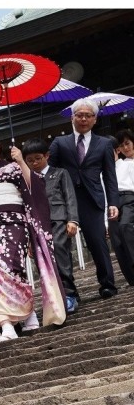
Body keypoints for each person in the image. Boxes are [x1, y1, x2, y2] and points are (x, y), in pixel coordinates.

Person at [0, 128, 66, 343]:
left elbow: (36, 187)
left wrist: (21, 161)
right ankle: (15, 323)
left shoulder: (13, 167)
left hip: (13, 225)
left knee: (12, 271)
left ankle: (25, 317)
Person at [48, 98, 120, 299]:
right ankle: (69, 292)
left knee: (98, 242)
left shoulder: (104, 144)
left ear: (95, 119)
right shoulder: (59, 143)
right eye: (79, 115)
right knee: (62, 245)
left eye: (88, 115)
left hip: (92, 198)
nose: (83, 119)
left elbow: (109, 176)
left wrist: (113, 202)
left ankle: (107, 284)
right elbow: (48, 171)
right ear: (72, 118)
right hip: (64, 200)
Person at [22, 137, 81, 314]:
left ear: (47, 156)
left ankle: (69, 294)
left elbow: (70, 197)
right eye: (29, 160)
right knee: (44, 262)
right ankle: (56, 297)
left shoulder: (60, 173)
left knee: (61, 252)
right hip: (38, 225)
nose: (34, 163)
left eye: (38, 158)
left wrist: (73, 220)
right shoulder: (26, 180)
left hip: (59, 220)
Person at [112, 129, 134, 284]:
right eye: (122, 145)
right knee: (117, 240)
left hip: (128, 199)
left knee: (126, 227)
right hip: (113, 204)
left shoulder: (128, 165)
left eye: (128, 143)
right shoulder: (105, 170)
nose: (125, 148)